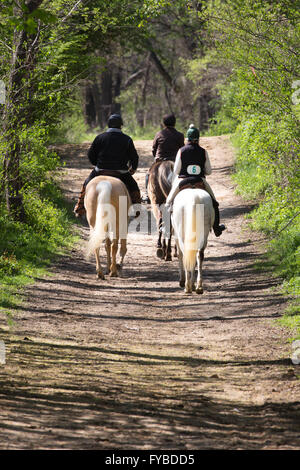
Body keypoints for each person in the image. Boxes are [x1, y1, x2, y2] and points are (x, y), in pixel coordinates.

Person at [74, 114, 141, 218]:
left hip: (100, 170)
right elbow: (134, 158)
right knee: (134, 186)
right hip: (121, 172)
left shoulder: (99, 137)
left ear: (108, 125)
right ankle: (136, 211)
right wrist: (132, 169)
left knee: (87, 184)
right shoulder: (127, 139)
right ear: (121, 126)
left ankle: (80, 207)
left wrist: (97, 164)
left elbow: (90, 155)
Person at [165, 124, 226, 237]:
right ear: (198, 138)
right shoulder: (203, 151)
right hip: (200, 181)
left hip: (183, 181)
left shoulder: (181, 151)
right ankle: (216, 228)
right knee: (214, 202)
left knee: (168, 202)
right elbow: (208, 171)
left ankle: (165, 227)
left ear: (187, 139)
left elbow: (177, 171)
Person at [142, 113, 184, 203]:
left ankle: (148, 195)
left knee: (148, 175)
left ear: (163, 123)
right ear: (175, 123)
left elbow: (154, 149)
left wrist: (156, 158)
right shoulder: (180, 135)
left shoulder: (159, 134)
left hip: (160, 160)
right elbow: (182, 149)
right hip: (174, 161)